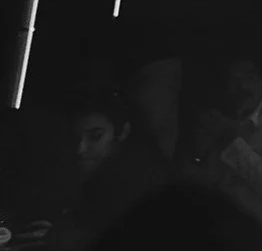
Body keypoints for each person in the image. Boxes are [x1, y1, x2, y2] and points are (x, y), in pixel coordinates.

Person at [4, 92, 169, 250]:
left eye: (96, 136)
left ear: (122, 133)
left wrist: (66, 239)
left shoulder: (143, 183)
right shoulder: (70, 173)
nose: (80, 148)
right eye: (75, 137)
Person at [186, 56, 262, 248]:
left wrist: (229, 142)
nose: (241, 87)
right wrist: (199, 152)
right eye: (233, 80)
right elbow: (192, 191)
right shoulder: (214, 122)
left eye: (249, 77)